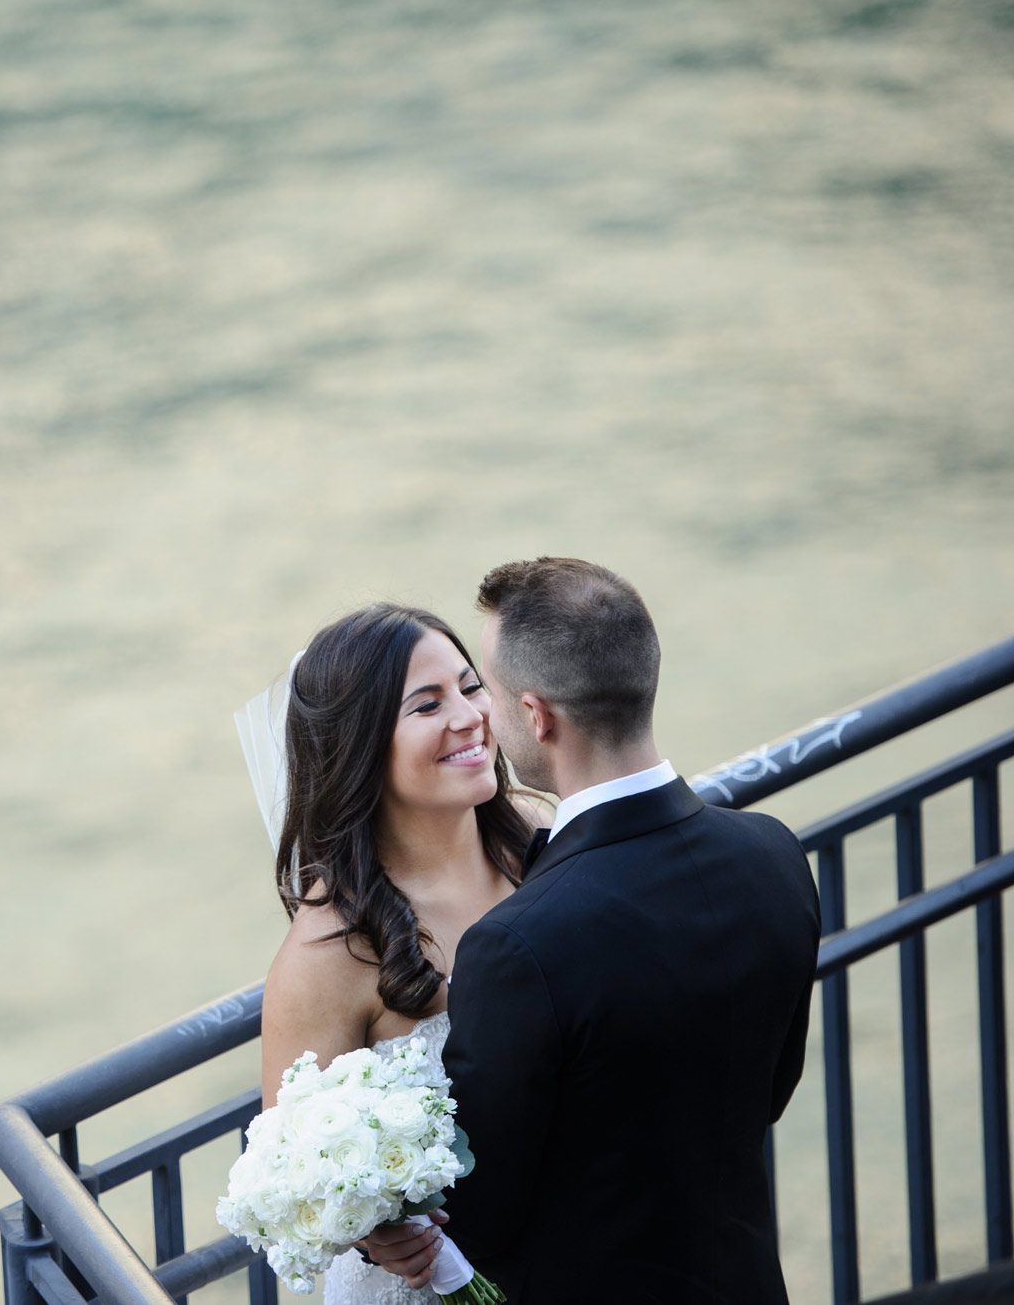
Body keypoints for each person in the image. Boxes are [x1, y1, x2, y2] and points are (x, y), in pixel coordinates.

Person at [360, 558, 821, 1303]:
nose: (482, 715)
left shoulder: (518, 945)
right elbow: (771, 1087)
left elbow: (484, 1210)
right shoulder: (772, 852)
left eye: (489, 691)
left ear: (537, 715)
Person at [255, 602, 553, 1305]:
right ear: (362, 748)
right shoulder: (327, 953)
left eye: (471, 686)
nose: (471, 715)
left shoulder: (540, 837)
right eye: (428, 704)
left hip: (570, 1242)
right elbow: (286, 1171)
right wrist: (369, 1230)